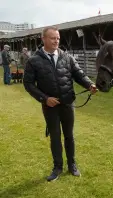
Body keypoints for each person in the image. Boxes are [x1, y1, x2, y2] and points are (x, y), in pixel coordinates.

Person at [23, 26, 98, 181]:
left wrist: (89, 85)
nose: (56, 41)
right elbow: (28, 84)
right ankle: (57, 167)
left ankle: (72, 165)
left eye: (57, 38)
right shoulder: (33, 61)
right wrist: (45, 99)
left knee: (69, 136)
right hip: (50, 106)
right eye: (52, 38)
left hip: (67, 103)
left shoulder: (67, 57)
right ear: (43, 39)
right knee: (55, 137)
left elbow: (79, 74)